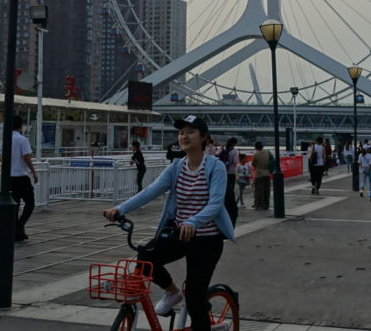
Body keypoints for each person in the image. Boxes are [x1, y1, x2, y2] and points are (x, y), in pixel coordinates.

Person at [102, 115, 234, 331]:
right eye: (181, 132)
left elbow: (216, 204)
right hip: (180, 234)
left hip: (207, 240)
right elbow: (150, 191)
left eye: (190, 131)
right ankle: (173, 292)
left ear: (203, 138)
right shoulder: (176, 167)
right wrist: (119, 209)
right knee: (146, 256)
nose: (184, 136)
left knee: (194, 299)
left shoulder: (215, 167)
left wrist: (193, 221)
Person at [9, 115, 39, 241]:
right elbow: (26, 157)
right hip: (21, 175)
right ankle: (19, 226)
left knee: (14, 205)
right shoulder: (22, 139)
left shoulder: (6, 139)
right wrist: (33, 171)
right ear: (21, 126)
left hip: (10, 177)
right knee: (30, 203)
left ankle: (16, 230)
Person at [220, 137, 240, 225]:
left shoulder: (225, 149)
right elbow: (235, 161)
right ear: (234, 143)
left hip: (224, 170)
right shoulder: (234, 151)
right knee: (231, 187)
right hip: (231, 171)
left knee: (225, 186)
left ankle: (223, 200)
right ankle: (230, 202)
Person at [251, 141, 271, 210]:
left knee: (259, 191)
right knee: (267, 190)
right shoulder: (267, 152)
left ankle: (260, 205)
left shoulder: (256, 154)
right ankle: (267, 204)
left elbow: (253, 164)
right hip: (267, 173)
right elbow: (272, 159)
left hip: (259, 174)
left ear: (256, 148)